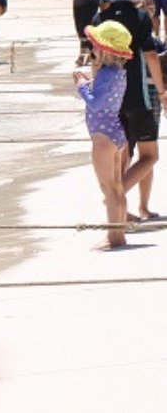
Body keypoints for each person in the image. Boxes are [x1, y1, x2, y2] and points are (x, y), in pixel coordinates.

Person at [91, 0, 166, 223]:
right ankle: (114, 197)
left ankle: (119, 210)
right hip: (138, 94)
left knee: (121, 155)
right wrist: (162, 91)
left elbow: (95, 62)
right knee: (150, 155)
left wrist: (95, 94)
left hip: (112, 97)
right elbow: (152, 56)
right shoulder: (140, 17)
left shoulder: (99, 19)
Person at [76, 20, 133, 248]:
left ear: (105, 49)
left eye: (96, 46)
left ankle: (113, 237)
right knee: (117, 187)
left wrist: (81, 86)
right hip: (117, 132)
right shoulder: (118, 71)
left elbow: (96, 103)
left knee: (107, 188)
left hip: (102, 136)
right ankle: (119, 234)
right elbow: (106, 96)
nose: (93, 49)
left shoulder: (107, 73)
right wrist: (90, 82)